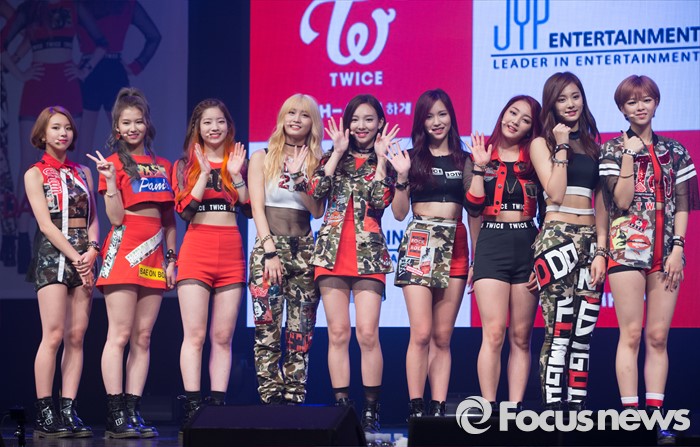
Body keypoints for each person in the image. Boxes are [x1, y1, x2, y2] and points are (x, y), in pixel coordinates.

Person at [599, 75, 699, 444]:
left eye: (646, 100)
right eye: (632, 102)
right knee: (631, 334)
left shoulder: (676, 150)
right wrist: (629, 153)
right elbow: (621, 201)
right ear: (622, 109)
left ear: (656, 103)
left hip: (667, 252)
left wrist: (678, 248)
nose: (640, 107)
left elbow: (684, 203)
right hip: (626, 249)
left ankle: (655, 419)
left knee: (657, 337)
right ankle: (631, 419)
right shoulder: (611, 150)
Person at [87, 87, 176, 439]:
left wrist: (171, 259)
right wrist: (110, 182)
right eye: (126, 122)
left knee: (143, 336)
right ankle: (114, 414)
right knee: (120, 334)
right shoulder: (111, 164)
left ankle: (133, 411)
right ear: (117, 127)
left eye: (138, 121)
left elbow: (169, 219)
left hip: (155, 253)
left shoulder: (164, 165)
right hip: (124, 249)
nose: (133, 127)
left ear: (147, 124)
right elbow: (115, 218)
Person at [309, 94, 398, 433]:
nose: (362, 126)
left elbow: (380, 201)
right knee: (337, 333)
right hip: (331, 252)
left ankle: (371, 412)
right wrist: (336, 153)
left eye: (369, 119)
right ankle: (342, 410)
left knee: (368, 333)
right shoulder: (332, 156)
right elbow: (315, 192)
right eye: (356, 119)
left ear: (380, 123)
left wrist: (382, 160)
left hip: (369, 254)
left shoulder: (388, 159)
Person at [1, 0, 106, 273]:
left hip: (66, 82)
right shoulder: (29, 8)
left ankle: (77, 239)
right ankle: (22, 238)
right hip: (37, 83)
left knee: (73, 162)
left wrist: (83, 70)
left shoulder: (74, 6)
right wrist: (20, 73)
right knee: (29, 164)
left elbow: (101, 42)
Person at [386, 89, 468, 418]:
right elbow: (398, 214)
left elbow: (475, 212)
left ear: (451, 117)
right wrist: (401, 177)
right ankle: (416, 408)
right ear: (421, 121)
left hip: (456, 241)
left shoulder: (465, 160)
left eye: (442, 114)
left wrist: (477, 258)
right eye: (429, 116)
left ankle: (438, 409)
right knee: (420, 333)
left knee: (442, 337)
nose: (436, 121)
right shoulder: (410, 158)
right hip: (420, 240)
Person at [529, 72, 607, 411]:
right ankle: (553, 409)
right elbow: (555, 192)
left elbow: (602, 202)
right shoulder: (541, 143)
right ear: (551, 105)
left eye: (575, 96)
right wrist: (561, 145)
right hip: (557, 238)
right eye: (562, 99)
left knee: (583, 332)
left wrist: (602, 248)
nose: (570, 104)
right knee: (558, 329)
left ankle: (577, 407)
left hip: (590, 239)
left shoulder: (593, 145)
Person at [463, 95, 543, 412]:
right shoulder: (481, 153)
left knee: (521, 336)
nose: (515, 121)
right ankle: (488, 406)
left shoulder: (536, 158)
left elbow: (549, 206)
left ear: (531, 129)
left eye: (525, 120)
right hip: (491, 244)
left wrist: (543, 256)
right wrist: (480, 167)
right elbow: (473, 207)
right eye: (513, 113)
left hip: (527, 244)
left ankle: (514, 409)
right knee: (494, 333)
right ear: (502, 113)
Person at [172, 99, 247, 427]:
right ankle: (192, 409)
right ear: (197, 128)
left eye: (219, 121)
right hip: (196, 251)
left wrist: (237, 176)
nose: (214, 128)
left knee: (223, 336)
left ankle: (216, 407)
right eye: (207, 122)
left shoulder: (240, 161)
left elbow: (249, 209)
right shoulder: (183, 165)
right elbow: (185, 212)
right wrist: (203, 174)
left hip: (231, 253)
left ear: (228, 126)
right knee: (195, 335)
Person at [25, 106, 98, 438]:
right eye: (55, 128)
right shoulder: (35, 174)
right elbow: (45, 224)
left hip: (84, 255)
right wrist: (76, 257)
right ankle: (45, 412)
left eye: (67, 127)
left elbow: (93, 217)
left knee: (76, 336)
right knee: (53, 335)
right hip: (53, 255)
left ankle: (68, 410)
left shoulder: (83, 171)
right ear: (42, 134)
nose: (63, 133)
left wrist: (92, 251)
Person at [248, 94, 325, 405]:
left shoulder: (318, 161)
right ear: (282, 117)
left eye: (304, 115)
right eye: (291, 112)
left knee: (301, 332)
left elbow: (317, 210)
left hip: (305, 249)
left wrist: (298, 178)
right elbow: (256, 207)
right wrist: (269, 251)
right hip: (269, 248)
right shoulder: (262, 156)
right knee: (267, 328)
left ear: (312, 123)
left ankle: (294, 397)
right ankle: (270, 398)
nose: (296, 119)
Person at [78, 0, 161, 159]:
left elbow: (154, 36)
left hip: (99, 71)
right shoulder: (84, 4)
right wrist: (136, 66)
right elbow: (154, 36)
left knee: (119, 139)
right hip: (105, 71)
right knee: (91, 143)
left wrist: (136, 66)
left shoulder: (125, 4)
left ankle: (122, 174)